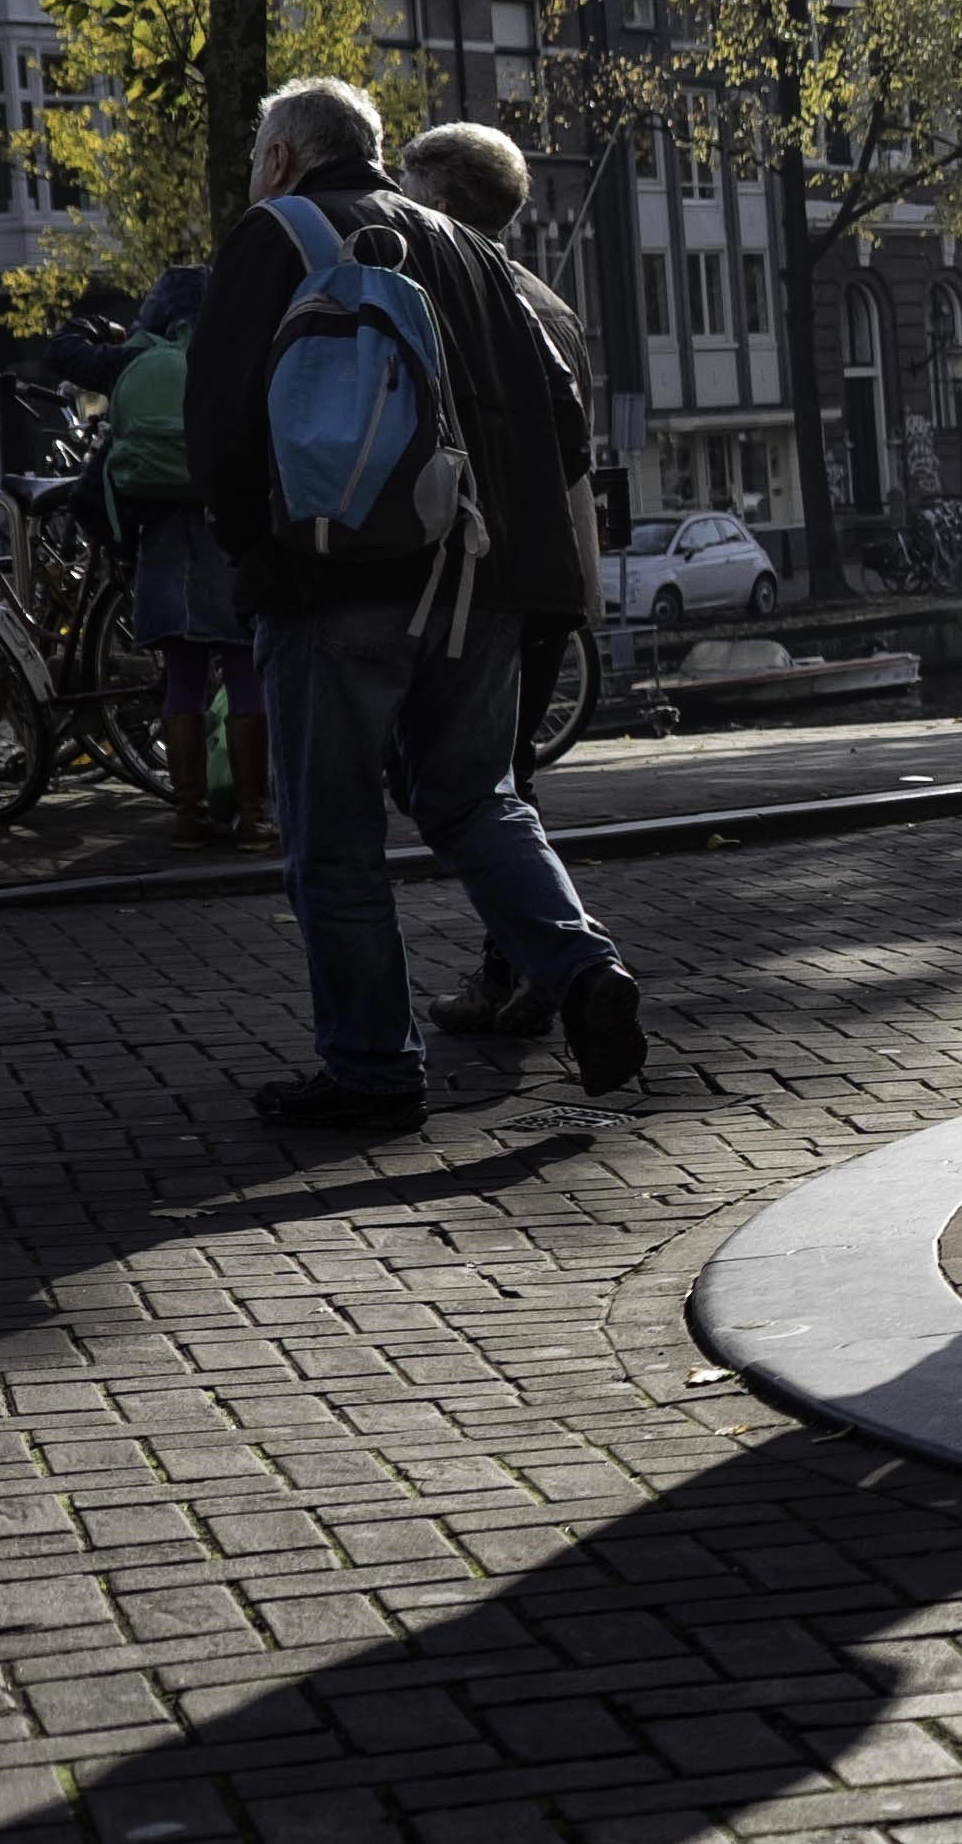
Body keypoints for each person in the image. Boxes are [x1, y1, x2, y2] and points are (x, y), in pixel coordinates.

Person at [192, 77, 641, 1132]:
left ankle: (373, 1069)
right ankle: (581, 968)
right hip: (476, 582)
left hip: (332, 585)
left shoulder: (277, 235)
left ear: (285, 157)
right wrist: (530, 592)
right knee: (476, 798)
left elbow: (218, 419)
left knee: (334, 837)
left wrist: (260, 561)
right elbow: (538, 427)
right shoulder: (473, 251)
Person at [396, 123, 614, 1044]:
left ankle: (553, 963)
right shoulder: (551, 306)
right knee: (501, 781)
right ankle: (527, 968)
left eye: (406, 191)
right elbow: (573, 461)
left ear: (438, 203)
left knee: (456, 786)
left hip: (475, 578)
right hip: (551, 577)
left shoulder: (434, 299)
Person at [62, 264, 268, 853]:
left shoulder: (133, 360)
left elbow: (63, 353)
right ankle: (254, 817)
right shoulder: (237, 355)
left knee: (182, 679)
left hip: (162, 542)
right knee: (246, 671)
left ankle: (188, 814)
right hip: (230, 534)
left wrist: (94, 325)